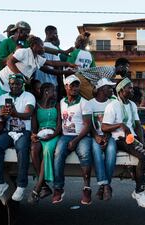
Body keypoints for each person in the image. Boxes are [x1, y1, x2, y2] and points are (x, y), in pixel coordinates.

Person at [102, 78, 145, 208]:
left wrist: (143, 141)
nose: (132, 90)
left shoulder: (132, 105)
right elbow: (104, 127)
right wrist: (120, 125)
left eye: (132, 88)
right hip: (120, 139)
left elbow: (137, 125)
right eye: (130, 88)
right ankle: (139, 191)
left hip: (133, 138)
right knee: (143, 156)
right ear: (121, 90)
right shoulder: (112, 105)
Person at [0, 74, 35, 201]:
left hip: (24, 130)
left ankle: (21, 185)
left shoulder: (29, 96)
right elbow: (2, 116)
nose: (14, 86)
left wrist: (16, 114)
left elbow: (29, 114)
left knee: (22, 149)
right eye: (12, 83)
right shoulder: (3, 97)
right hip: (9, 130)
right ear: (9, 84)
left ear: (22, 84)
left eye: (17, 83)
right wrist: (3, 114)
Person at [52, 75, 92, 205]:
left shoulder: (84, 102)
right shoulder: (62, 102)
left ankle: (86, 188)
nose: (75, 88)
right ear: (66, 87)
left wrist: (75, 140)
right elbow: (60, 123)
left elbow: (88, 125)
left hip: (82, 135)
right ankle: (58, 188)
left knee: (85, 154)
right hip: (65, 135)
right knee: (58, 153)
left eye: (77, 85)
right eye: (72, 85)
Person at [0, 35, 76, 98]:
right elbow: (9, 62)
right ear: (34, 45)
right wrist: (21, 76)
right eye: (41, 46)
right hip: (4, 81)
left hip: (15, 85)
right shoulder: (23, 52)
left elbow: (51, 63)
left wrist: (67, 64)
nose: (43, 48)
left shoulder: (38, 58)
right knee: (4, 106)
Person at [29, 83, 61, 204]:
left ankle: (38, 187)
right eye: (54, 90)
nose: (56, 93)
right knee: (34, 149)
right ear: (46, 91)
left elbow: (59, 126)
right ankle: (44, 186)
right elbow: (34, 126)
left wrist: (52, 136)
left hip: (53, 134)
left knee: (47, 150)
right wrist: (33, 135)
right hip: (40, 134)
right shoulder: (36, 106)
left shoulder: (57, 105)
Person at [86, 78, 117, 201]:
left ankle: (103, 186)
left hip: (110, 135)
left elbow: (115, 122)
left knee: (111, 150)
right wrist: (96, 136)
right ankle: (106, 185)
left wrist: (107, 136)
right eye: (109, 87)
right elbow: (88, 123)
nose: (111, 89)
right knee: (96, 150)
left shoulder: (113, 102)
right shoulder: (90, 103)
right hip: (95, 135)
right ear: (101, 89)